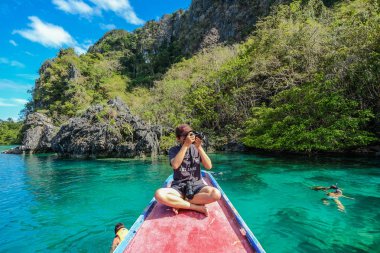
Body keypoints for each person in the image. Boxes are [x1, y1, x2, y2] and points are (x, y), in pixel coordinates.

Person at [154, 124, 221, 216]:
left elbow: (209, 166)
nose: (188, 137)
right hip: (179, 187)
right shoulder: (174, 150)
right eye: (185, 135)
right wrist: (185, 145)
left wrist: (199, 147)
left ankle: (181, 203)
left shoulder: (196, 148)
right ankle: (195, 207)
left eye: (190, 134)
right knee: (159, 194)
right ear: (178, 138)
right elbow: (175, 165)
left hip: (197, 186)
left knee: (216, 194)